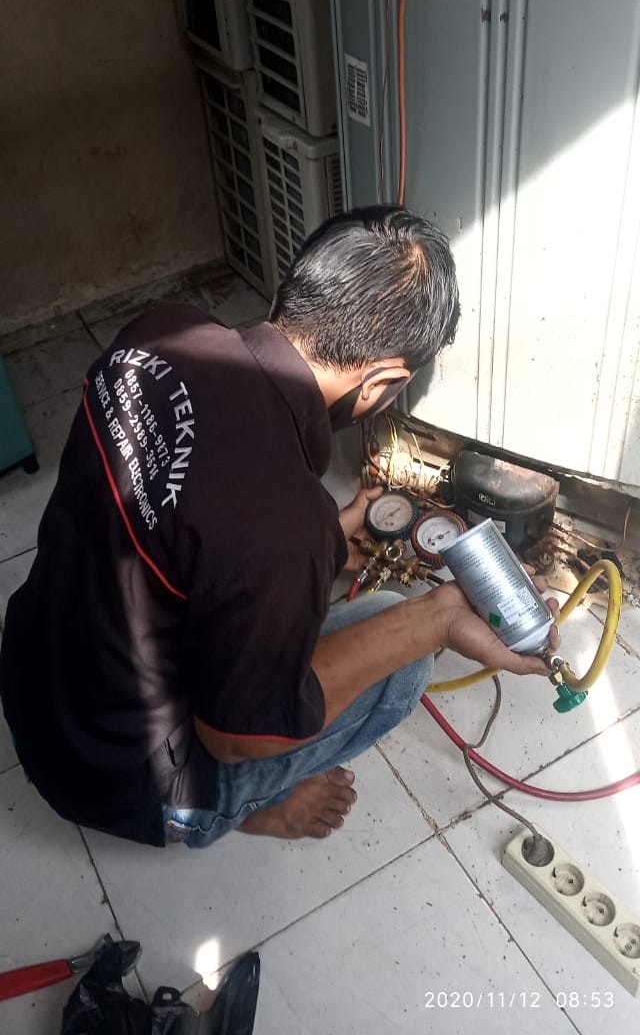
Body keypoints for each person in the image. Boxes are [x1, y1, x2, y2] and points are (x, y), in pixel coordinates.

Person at [0, 205, 558, 849]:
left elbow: (186, 513)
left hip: (34, 677)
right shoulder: (281, 529)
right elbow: (233, 738)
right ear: (382, 382)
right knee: (399, 664)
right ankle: (239, 809)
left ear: (288, 293)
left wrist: (322, 539)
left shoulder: (158, 334)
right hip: (114, 777)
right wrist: (434, 620)